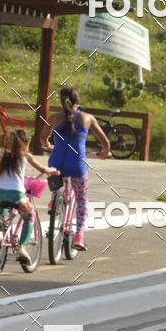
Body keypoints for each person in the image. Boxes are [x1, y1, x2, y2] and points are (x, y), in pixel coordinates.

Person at [40, 86, 110, 251]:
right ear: (78, 101)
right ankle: (79, 235)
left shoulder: (54, 118)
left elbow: (43, 138)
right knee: (82, 200)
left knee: (57, 180)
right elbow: (105, 143)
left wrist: (48, 145)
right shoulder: (88, 118)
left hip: (56, 162)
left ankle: (54, 202)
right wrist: (104, 153)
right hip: (77, 163)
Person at [0, 128, 58, 263]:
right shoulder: (25, 156)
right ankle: (21, 248)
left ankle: (1, 224)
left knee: (6, 205)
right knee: (30, 216)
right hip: (16, 194)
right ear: (24, 144)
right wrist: (52, 170)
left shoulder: (3, 154)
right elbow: (42, 169)